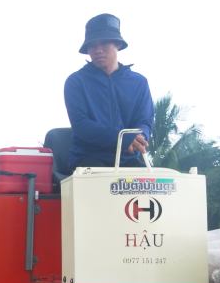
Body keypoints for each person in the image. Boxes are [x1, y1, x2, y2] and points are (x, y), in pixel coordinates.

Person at [64, 13, 154, 171]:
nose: (98, 50)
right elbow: (81, 125)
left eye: (104, 43)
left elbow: (145, 121)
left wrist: (140, 138)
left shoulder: (139, 82)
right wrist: (124, 139)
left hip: (129, 159)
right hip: (88, 160)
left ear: (117, 45)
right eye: (92, 45)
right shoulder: (76, 82)